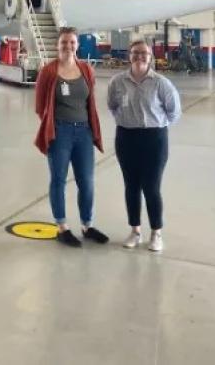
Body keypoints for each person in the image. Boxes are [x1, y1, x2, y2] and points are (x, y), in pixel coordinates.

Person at [34, 26, 109, 248]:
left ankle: (87, 225)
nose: (68, 46)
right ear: (58, 45)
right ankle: (62, 227)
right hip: (60, 132)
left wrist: (87, 128)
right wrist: (53, 127)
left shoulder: (86, 69)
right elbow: (40, 107)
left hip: (84, 132)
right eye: (64, 42)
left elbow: (89, 100)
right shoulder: (48, 71)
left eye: (72, 42)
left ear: (78, 45)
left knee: (86, 181)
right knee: (58, 180)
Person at [107, 39, 181, 252]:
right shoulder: (117, 82)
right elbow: (112, 106)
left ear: (150, 57)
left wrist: (155, 124)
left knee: (151, 187)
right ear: (129, 56)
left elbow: (174, 112)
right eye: (135, 53)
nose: (139, 56)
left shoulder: (161, 83)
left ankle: (156, 233)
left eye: (144, 53)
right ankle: (135, 231)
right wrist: (128, 122)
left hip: (154, 140)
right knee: (131, 187)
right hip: (126, 138)